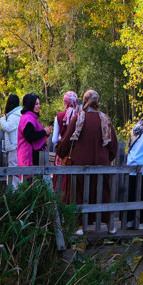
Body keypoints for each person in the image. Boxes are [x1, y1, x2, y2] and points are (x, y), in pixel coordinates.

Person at [57, 90, 118, 234]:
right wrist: (109, 157)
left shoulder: (79, 117)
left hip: (80, 161)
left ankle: (80, 226)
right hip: (101, 162)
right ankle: (110, 225)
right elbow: (113, 144)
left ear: (85, 101)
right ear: (97, 101)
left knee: (78, 191)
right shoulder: (105, 118)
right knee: (103, 191)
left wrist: (60, 151)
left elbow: (66, 140)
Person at [51, 91, 79, 195]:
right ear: (76, 101)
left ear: (65, 102)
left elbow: (54, 140)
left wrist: (61, 138)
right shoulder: (80, 116)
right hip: (75, 152)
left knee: (60, 180)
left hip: (62, 153)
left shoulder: (59, 116)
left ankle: (60, 201)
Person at [17, 93, 52, 168]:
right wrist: (44, 132)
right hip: (29, 155)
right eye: (36, 104)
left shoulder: (30, 117)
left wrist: (45, 133)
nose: (39, 106)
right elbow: (29, 136)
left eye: (39, 104)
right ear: (30, 104)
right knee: (29, 178)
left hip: (31, 154)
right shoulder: (28, 119)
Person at [0, 94, 21, 184]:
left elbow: (7, 127)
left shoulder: (13, 116)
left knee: (13, 168)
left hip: (14, 146)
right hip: (17, 144)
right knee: (16, 168)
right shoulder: (19, 113)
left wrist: (2, 119)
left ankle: (13, 190)